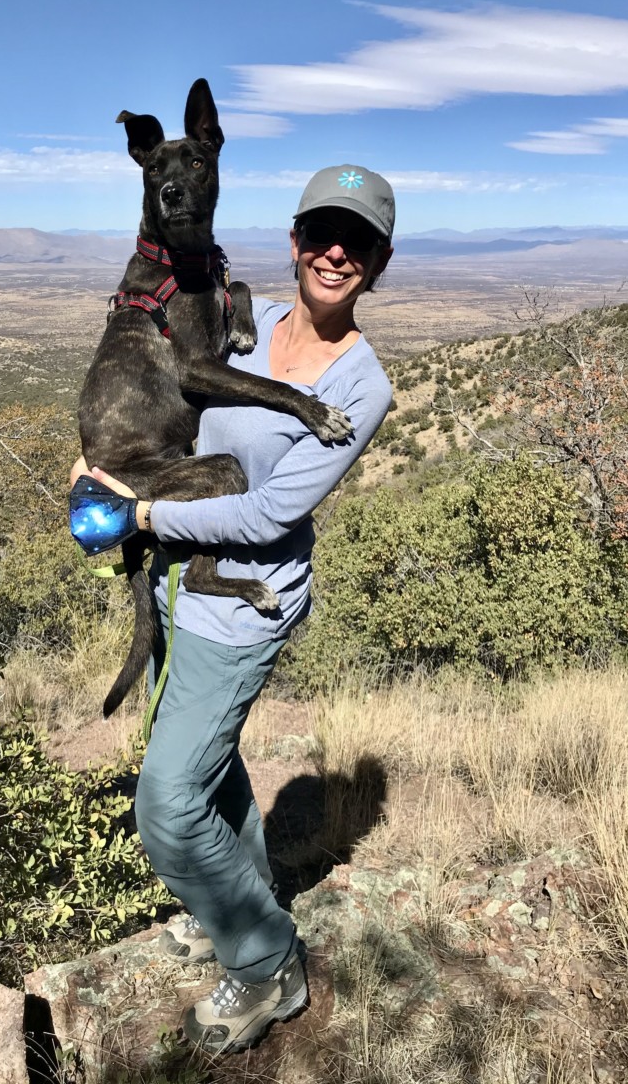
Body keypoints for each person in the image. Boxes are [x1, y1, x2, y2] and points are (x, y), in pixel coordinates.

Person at [69, 164, 395, 1053]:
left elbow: (268, 511)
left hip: (243, 608)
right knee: (214, 773)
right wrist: (102, 470)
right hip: (184, 576)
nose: (335, 252)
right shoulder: (248, 327)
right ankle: (236, 908)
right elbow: (168, 402)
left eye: (356, 242)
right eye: (321, 234)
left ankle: (265, 964)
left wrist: (137, 515)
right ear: (294, 242)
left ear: (378, 262)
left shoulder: (362, 386)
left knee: (167, 807)